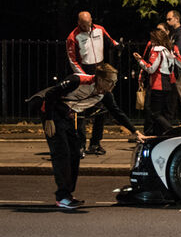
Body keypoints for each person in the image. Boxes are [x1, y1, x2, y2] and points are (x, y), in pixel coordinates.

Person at [30, 64, 147, 209]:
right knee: (62, 153)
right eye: (110, 81)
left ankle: (68, 194)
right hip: (50, 111)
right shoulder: (77, 80)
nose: (113, 84)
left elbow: (117, 112)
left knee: (75, 152)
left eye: (115, 81)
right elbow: (50, 95)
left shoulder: (104, 94)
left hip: (66, 114)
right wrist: (49, 119)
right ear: (100, 79)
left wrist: (135, 132)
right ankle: (62, 197)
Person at [65, 11, 122, 156]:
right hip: (86, 73)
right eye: (83, 25)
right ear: (78, 23)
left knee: (101, 111)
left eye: (88, 23)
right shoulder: (73, 37)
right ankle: (80, 144)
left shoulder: (100, 30)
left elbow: (111, 42)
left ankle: (95, 143)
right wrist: (84, 77)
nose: (86, 27)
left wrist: (118, 45)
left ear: (91, 21)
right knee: (81, 111)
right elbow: (72, 60)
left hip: (101, 72)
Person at [133, 27, 181, 135]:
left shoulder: (157, 50)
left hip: (158, 84)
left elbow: (151, 69)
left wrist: (139, 60)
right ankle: (162, 135)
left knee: (153, 113)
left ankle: (170, 130)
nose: (151, 42)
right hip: (169, 83)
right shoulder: (170, 49)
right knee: (164, 113)